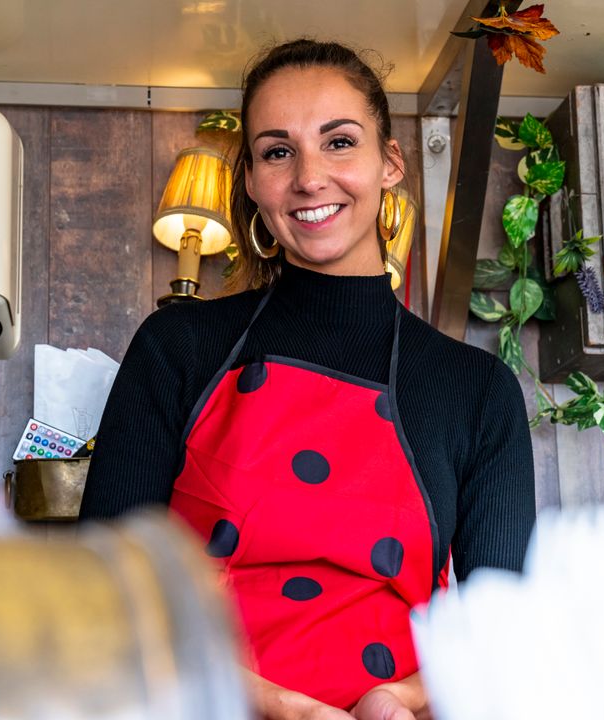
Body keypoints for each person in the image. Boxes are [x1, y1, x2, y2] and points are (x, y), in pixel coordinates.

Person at [80, 38, 535, 720]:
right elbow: (103, 591)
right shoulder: (177, 347)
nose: (309, 178)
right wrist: (269, 704)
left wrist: (395, 700)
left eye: (340, 142)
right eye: (277, 151)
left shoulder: (477, 391)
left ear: (390, 164)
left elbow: (498, 630)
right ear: (254, 181)